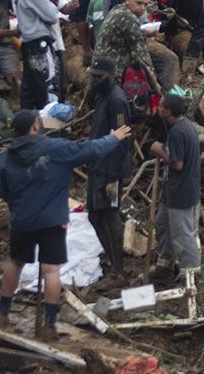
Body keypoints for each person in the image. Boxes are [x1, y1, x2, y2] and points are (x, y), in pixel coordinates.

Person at [0, 109, 131, 337]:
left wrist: (20, 207)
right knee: (51, 270)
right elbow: (90, 150)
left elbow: (4, 192)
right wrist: (114, 138)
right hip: (51, 220)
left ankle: (2, 313)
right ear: (34, 127)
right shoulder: (55, 148)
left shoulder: (7, 157)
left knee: (16, 262)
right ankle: (50, 324)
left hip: (23, 220)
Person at [85, 58, 130, 278]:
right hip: (96, 165)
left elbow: (122, 139)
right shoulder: (101, 95)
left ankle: (118, 268)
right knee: (94, 215)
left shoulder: (117, 100)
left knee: (111, 215)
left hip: (109, 170)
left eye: (99, 76)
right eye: (93, 75)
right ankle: (112, 260)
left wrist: (114, 177)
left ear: (111, 75)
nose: (94, 80)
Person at [150, 94, 201, 276]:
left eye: (161, 107)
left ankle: (191, 274)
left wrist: (159, 151)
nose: (158, 109)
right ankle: (165, 264)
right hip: (173, 191)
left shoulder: (178, 132)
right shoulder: (185, 126)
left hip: (181, 192)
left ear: (168, 111)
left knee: (182, 235)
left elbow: (178, 164)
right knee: (162, 224)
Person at [13, 0, 64, 110]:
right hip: (39, 45)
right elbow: (52, 15)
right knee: (48, 84)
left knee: (29, 87)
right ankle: (52, 126)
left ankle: (26, 125)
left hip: (28, 44)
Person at [98, 0, 167, 89]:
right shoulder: (127, 17)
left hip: (100, 68)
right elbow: (142, 56)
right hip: (112, 74)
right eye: (139, 3)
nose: (143, 8)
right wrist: (155, 86)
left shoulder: (118, 9)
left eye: (145, 5)